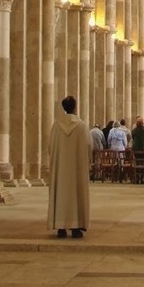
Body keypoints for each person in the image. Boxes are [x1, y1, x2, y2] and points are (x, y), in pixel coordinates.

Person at [47, 95, 91, 240]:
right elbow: (88, 146)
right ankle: (76, 227)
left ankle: (60, 227)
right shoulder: (82, 126)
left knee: (61, 194)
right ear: (75, 107)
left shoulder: (56, 125)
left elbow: (50, 146)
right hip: (77, 167)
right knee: (76, 194)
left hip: (61, 168)